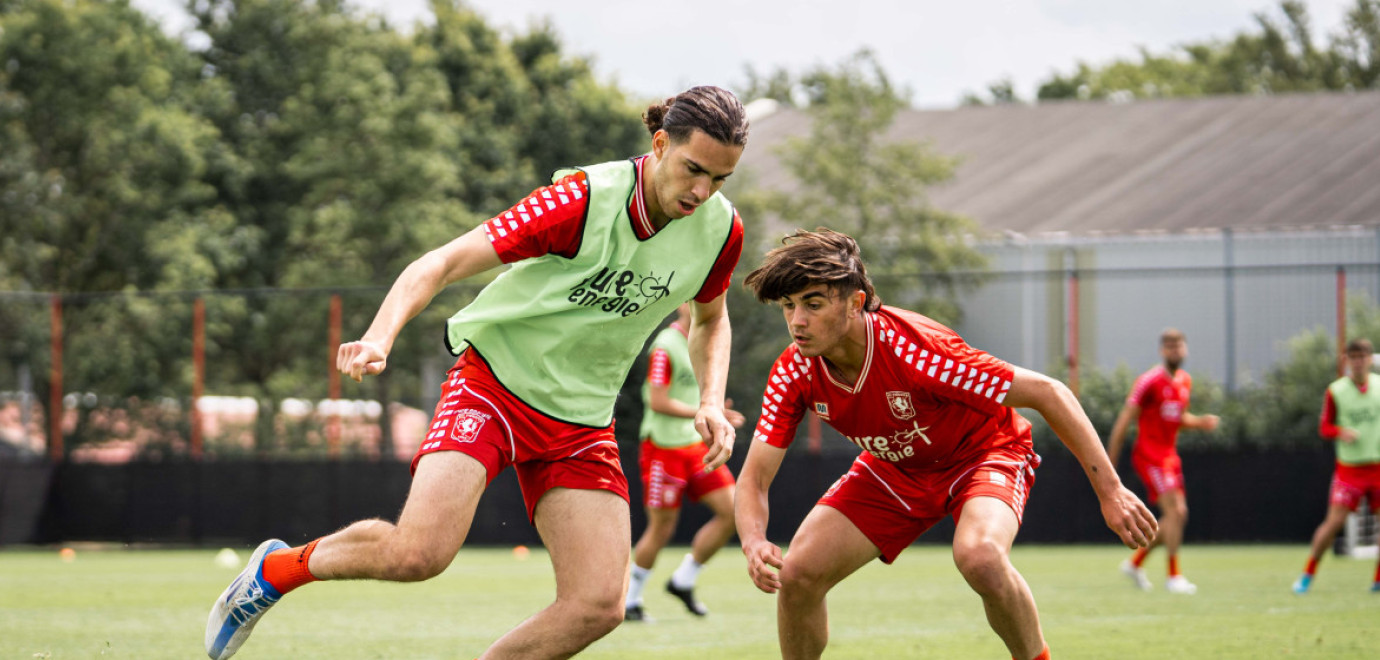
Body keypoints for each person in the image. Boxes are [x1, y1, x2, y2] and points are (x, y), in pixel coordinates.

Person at [205, 86, 750, 660]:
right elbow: (439, 263)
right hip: (493, 388)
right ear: (660, 144)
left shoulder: (721, 230)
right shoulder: (582, 202)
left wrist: (711, 398)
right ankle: (275, 571)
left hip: (582, 421)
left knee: (597, 605)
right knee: (419, 555)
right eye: (694, 170)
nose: (702, 192)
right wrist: (378, 335)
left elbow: (712, 321)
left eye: (720, 179)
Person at [735, 229, 1157, 660]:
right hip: (896, 468)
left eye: (813, 304)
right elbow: (754, 478)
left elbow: (1048, 393)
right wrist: (753, 540)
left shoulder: (919, 354)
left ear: (856, 302)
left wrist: (1111, 491)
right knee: (800, 574)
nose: (797, 321)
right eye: (788, 306)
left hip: (984, 453)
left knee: (980, 557)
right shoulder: (795, 371)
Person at [623, 303, 745, 622]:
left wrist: (715, 410)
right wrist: (703, 412)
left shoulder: (705, 337)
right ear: (681, 304)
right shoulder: (665, 345)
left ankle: (683, 580)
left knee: (734, 511)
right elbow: (657, 400)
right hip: (663, 448)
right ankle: (631, 600)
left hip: (694, 447)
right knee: (662, 527)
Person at [1105, 328, 1219, 595]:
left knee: (1175, 517)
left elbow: (1176, 419)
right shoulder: (1149, 381)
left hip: (1169, 456)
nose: (1174, 351)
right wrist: (1108, 461)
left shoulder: (1184, 381)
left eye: (1178, 346)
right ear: (1161, 350)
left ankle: (1135, 564)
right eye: (1169, 346)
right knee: (1177, 513)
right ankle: (1174, 576)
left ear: (1185, 349)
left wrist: (1200, 422)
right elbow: (1125, 420)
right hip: (1150, 455)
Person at [1292, 337, 1380, 594]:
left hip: (1377, 467)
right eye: (1354, 357)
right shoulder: (1336, 390)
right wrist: (1341, 432)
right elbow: (1324, 427)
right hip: (1350, 469)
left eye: (1363, 357)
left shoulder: (1379, 387)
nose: (1359, 362)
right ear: (1347, 361)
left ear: (1370, 359)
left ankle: (1377, 580)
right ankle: (1307, 575)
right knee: (1332, 524)